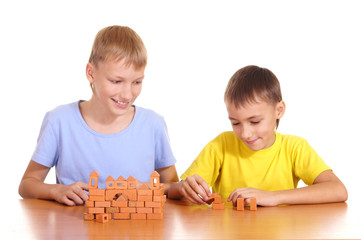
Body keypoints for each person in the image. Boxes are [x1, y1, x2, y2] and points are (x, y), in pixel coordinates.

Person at [19, 25, 179, 206]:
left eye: (137, 82)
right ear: (91, 73)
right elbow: (27, 185)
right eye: (116, 81)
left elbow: (173, 187)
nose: (127, 94)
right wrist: (56, 190)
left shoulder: (153, 124)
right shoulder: (59, 121)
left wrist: (153, 189)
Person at [168, 65, 347, 207]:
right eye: (235, 123)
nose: (245, 134)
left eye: (254, 122)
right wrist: (183, 187)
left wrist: (273, 197)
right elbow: (174, 190)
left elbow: (338, 190)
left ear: (279, 110)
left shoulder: (295, 148)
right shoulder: (221, 145)